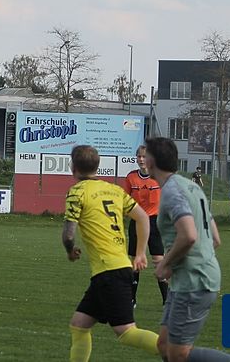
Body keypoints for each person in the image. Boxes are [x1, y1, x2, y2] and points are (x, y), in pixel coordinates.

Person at [147, 137, 230, 362]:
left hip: (194, 281)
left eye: (145, 155)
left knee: (178, 354)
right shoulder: (191, 186)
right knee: (164, 346)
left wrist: (166, 263)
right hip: (190, 278)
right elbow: (215, 238)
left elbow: (189, 235)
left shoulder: (172, 191)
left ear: (152, 161)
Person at [62, 145, 160, 362]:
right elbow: (143, 217)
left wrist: (70, 251)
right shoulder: (114, 190)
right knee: (79, 325)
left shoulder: (77, 192)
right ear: (97, 167)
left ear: (73, 167)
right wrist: (140, 253)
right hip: (116, 267)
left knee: (126, 333)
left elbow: (68, 235)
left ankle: (181, 354)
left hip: (109, 272)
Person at [122, 144, 168, 306]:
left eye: (144, 156)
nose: (141, 159)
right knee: (135, 262)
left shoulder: (159, 177)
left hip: (154, 222)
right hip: (136, 222)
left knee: (159, 261)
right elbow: (125, 199)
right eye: (139, 156)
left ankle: (167, 300)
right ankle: (132, 299)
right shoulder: (131, 177)